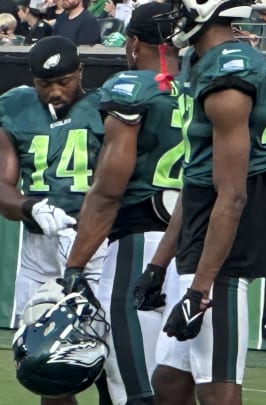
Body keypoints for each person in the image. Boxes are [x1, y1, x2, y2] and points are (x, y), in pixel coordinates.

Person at [144, 0, 266, 403]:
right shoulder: (200, 61)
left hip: (227, 233)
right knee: (170, 383)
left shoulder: (229, 73)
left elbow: (232, 193)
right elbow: (196, 178)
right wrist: (158, 264)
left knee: (217, 386)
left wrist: (200, 291)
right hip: (203, 217)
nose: (173, 16)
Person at [62, 3, 182, 404]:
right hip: (200, 245)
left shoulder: (131, 89)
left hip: (140, 243)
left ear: (133, 43)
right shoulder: (204, 87)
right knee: (183, 387)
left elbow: (109, 190)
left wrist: (75, 265)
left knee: (134, 388)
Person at [0, 35, 106, 405]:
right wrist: (30, 207)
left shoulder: (105, 107)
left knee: (114, 364)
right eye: (44, 84)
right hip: (39, 249)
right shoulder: (15, 107)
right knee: (47, 364)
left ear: (80, 71)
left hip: (98, 244)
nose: (55, 93)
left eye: (64, 82)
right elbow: (2, 185)